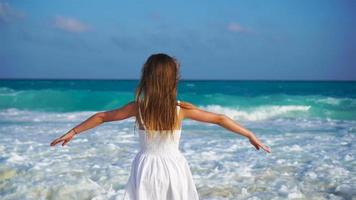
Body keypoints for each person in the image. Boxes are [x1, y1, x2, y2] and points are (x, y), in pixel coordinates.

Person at [50, 53, 271, 199]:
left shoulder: (138, 107)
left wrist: (73, 132)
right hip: (174, 166)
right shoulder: (181, 109)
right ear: (174, 79)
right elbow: (221, 119)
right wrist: (249, 134)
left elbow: (102, 116)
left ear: (147, 78)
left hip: (146, 166)